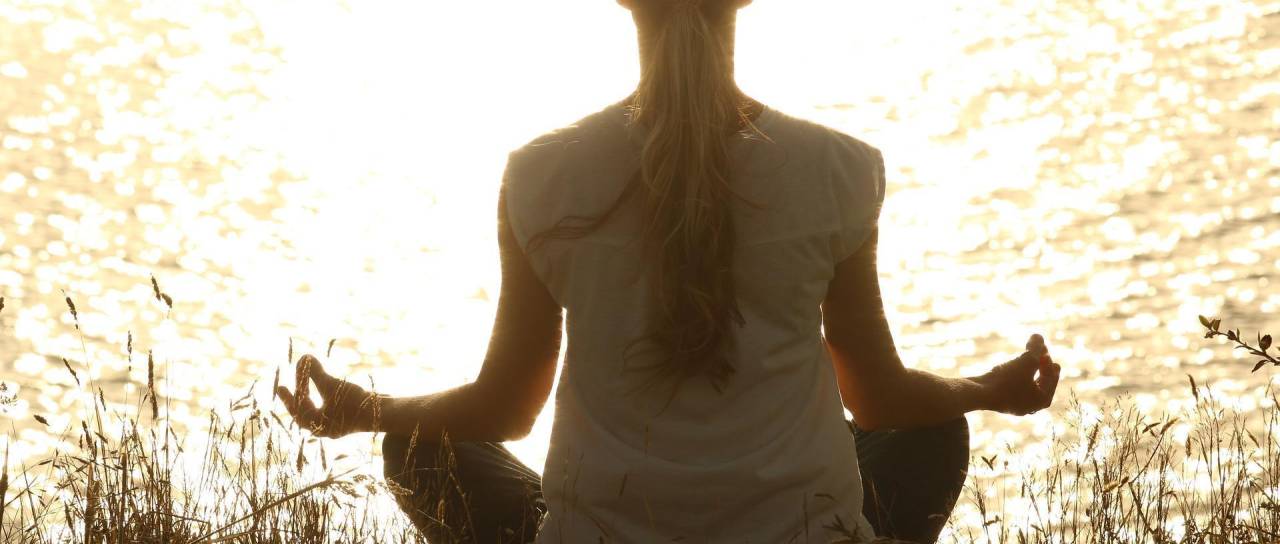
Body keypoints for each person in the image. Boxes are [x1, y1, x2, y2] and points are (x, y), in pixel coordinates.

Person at [274, 0, 1063, 542]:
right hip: (800, 534)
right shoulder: (840, 169)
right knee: (932, 428)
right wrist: (987, 390)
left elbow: (506, 408)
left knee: (416, 447)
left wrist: (365, 409)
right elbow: (879, 397)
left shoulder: (541, 174)